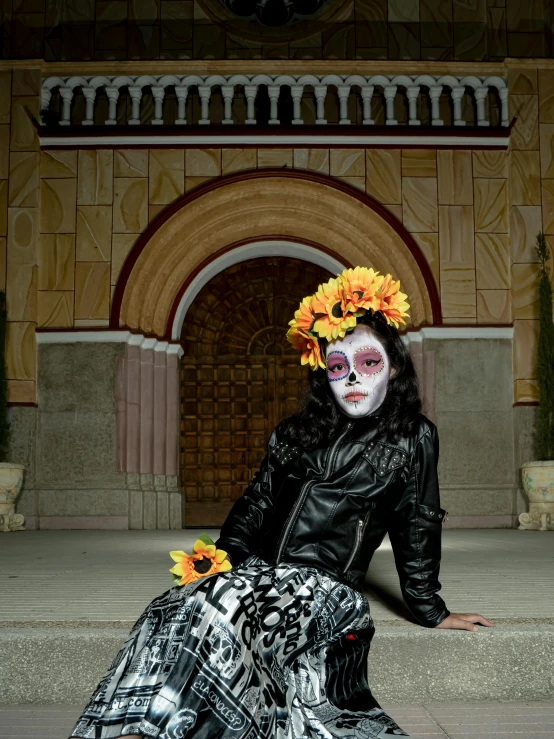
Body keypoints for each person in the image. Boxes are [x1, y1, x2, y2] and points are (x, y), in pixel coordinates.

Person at [68, 266, 494, 739]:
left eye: (368, 363)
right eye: (337, 367)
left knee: (221, 606)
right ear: (323, 376)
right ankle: (131, 730)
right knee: (173, 605)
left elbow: (417, 523)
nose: (351, 377)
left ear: (394, 369)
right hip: (257, 574)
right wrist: (219, 566)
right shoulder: (294, 434)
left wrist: (431, 609)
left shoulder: (412, 436)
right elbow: (255, 505)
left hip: (325, 589)